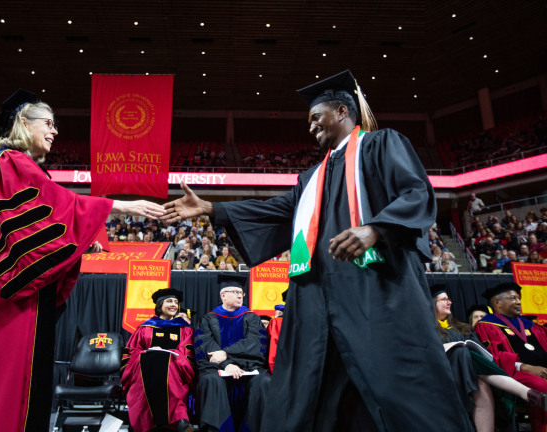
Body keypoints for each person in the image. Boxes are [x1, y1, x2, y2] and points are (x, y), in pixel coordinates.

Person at [163, 70, 471, 431]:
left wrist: (375, 229)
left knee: (398, 381)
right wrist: (215, 209)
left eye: (315, 118)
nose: (310, 128)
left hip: (375, 286)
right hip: (315, 296)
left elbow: (416, 193)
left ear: (342, 111)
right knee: (311, 389)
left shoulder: (381, 145)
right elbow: (278, 209)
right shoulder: (311, 178)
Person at [0, 89, 166, 432]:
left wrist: (79, 240)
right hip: (6, 303)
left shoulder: (12, 166)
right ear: (23, 124)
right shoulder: (8, 162)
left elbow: (40, 222)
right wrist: (119, 205)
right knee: (4, 386)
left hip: (4, 299)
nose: (55, 131)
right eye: (48, 123)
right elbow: (49, 206)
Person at [432, 285, 544, 431]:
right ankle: (527, 392)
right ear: (432, 303)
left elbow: (485, 354)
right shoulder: (427, 328)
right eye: (444, 299)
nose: (449, 302)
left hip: (473, 375)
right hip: (448, 374)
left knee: (480, 380)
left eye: (449, 299)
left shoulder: (462, 328)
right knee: (463, 353)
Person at [194, 274, 271, 432]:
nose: (239, 295)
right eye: (235, 292)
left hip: (249, 366)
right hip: (216, 368)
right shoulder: (208, 320)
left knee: (264, 381)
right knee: (210, 380)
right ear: (223, 295)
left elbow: (256, 344)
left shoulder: (252, 318)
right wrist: (227, 365)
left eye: (241, 293)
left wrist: (227, 353)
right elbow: (205, 347)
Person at [121, 288, 196, 432]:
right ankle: (145, 422)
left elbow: (187, 352)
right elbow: (131, 351)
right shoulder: (144, 327)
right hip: (146, 369)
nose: (173, 305)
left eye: (176, 302)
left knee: (166, 366)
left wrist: (168, 355)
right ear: (159, 305)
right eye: (169, 301)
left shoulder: (184, 329)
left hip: (174, 369)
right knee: (149, 367)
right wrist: (146, 354)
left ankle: (179, 420)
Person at [475, 282, 547, 432]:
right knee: (542, 386)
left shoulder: (530, 325)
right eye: (513, 298)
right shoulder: (487, 325)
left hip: (542, 370)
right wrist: (525, 367)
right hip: (512, 373)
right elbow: (494, 356)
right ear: (497, 303)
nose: (518, 302)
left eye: (518, 298)